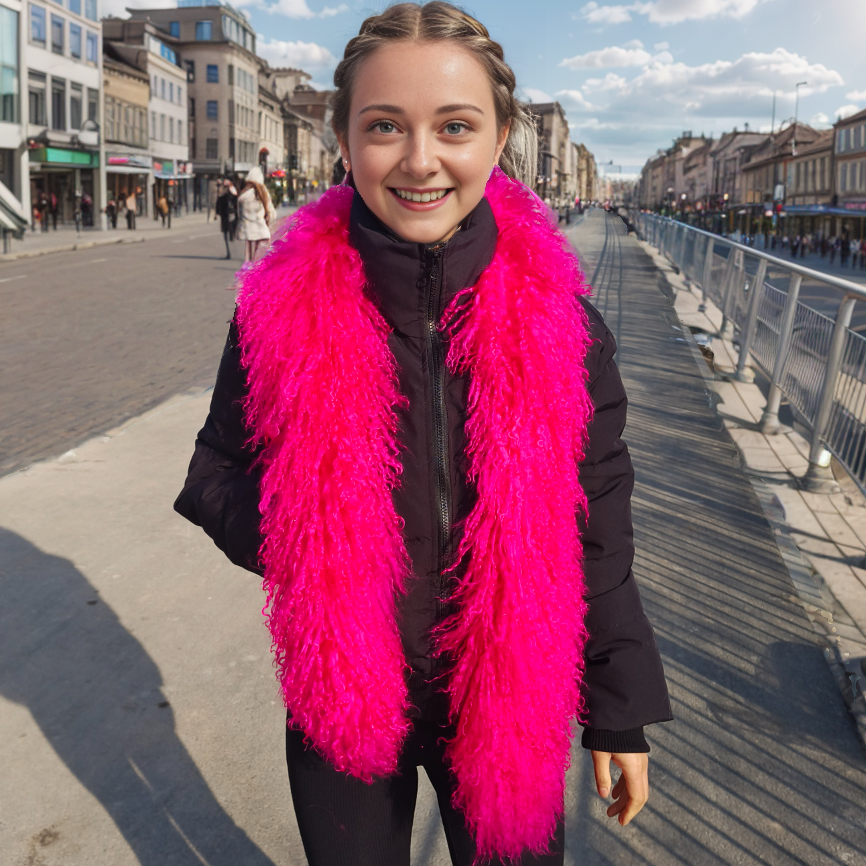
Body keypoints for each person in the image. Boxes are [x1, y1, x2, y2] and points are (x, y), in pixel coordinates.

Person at [173, 5, 671, 865]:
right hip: (342, 692)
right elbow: (213, 475)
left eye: (454, 126)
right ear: (342, 137)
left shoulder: (566, 327)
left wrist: (617, 704)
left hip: (510, 694)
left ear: (500, 136)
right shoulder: (274, 315)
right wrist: (315, 542)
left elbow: (599, 526)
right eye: (383, 127)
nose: (419, 159)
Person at [236, 166, 275, 262]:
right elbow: (271, 212)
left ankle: (247, 269)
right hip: (261, 230)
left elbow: (239, 214)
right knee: (259, 258)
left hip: (248, 230)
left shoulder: (243, 195)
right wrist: (268, 221)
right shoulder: (262, 192)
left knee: (248, 257)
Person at [214, 179, 238, 259]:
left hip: (230, 215)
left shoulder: (232, 194)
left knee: (229, 235)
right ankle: (229, 252)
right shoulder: (224, 195)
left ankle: (230, 252)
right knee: (227, 235)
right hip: (226, 216)